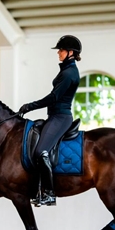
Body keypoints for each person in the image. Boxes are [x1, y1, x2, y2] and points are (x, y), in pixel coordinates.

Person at [19, 35, 82, 206]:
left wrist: (30, 106)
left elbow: (54, 97)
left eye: (61, 50)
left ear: (70, 52)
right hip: (55, 116)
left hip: (61, 117)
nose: (59, 53)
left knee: (41, 151)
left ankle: (49, 193)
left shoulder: (69, 73)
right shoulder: (66, 70)